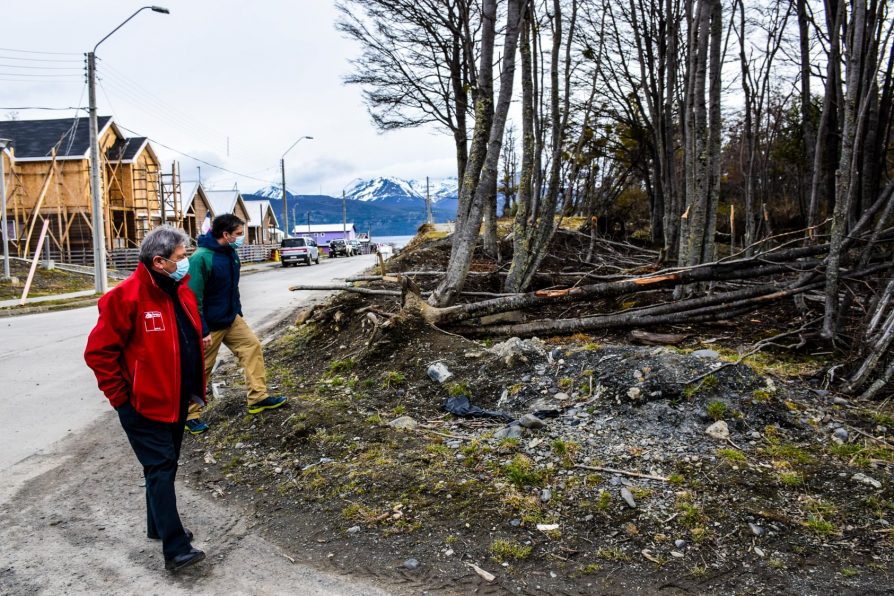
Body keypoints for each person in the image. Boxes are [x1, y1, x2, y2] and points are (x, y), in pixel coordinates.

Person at [84, 226, 206, 572]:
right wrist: (122, 399)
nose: (187, 263)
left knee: (164, 468)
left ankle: (158, 524)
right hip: (142, 405)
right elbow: (98, 354)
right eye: (182, 258)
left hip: (176, 400)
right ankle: (177, 550)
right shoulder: (126, 297)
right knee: (161, 468)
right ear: (159, 261)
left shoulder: (178, 292)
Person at [185, 213, 287, 434]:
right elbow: (193, 299)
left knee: (252, 347)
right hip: (209, 325)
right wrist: (202, 330)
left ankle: (258, 398)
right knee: (202, 368)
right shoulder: (201, 258)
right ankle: (190, 415)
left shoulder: (231, 253)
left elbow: (233, 287)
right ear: (226, 234)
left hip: (231, 318)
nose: (242, 238)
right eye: (239, 234)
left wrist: (237, 311)